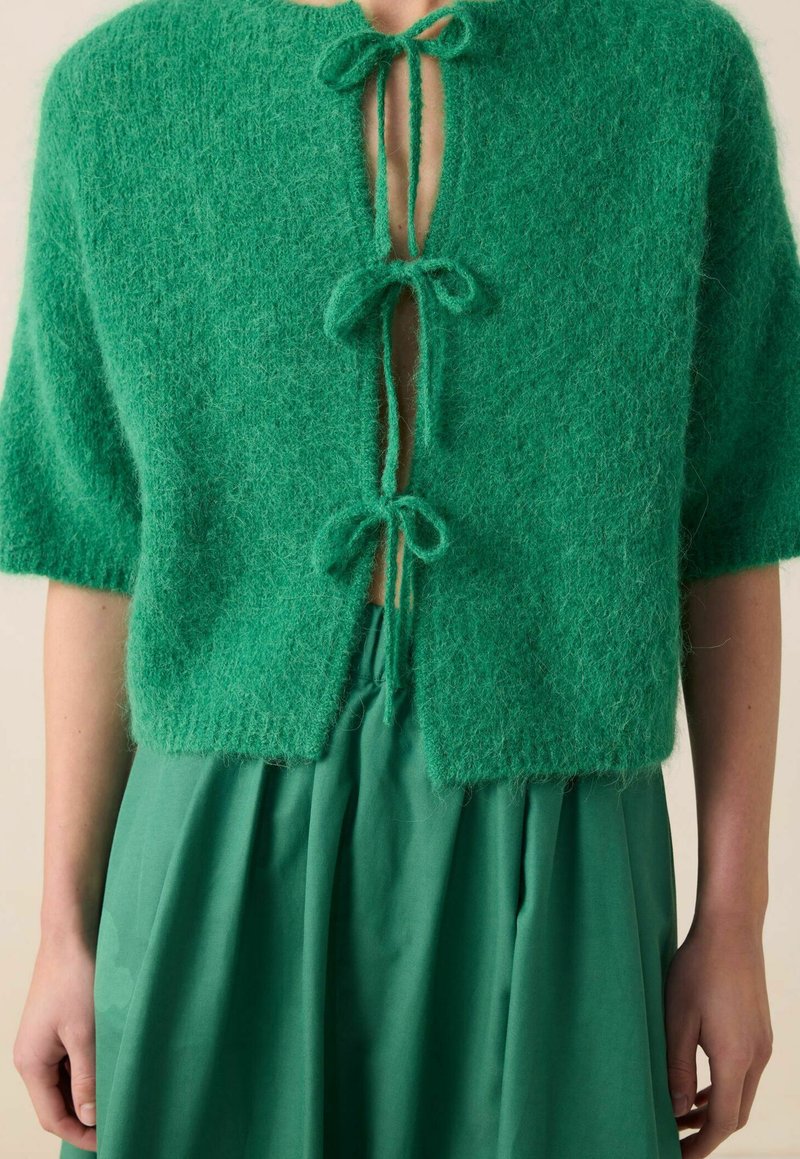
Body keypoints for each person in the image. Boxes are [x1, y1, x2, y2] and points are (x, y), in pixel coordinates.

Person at [1, 0, 798, 1156]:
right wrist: (61, 926)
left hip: (561, 841)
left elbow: (730, 524)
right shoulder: (117, 94)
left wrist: (731, 918)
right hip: (213, 844)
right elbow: (97, 550)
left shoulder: (677, 72)